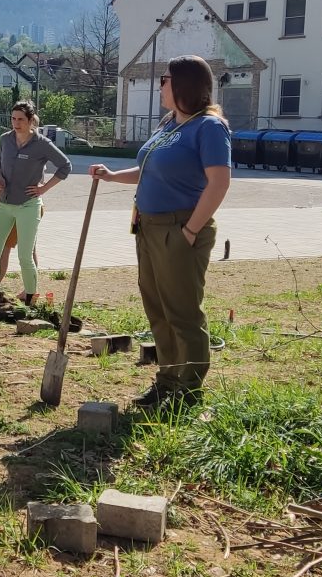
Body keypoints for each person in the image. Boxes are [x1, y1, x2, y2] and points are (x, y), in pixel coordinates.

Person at [89, 55, 231, 411]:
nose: (160, 86)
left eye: (164, 79)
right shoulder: (170, 125)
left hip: (179, 229)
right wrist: (111, 176)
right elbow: (146, 170)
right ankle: (167, 382)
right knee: (158, 310)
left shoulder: (208, 128)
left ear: (184, 84)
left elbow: (219, 182)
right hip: (148, 228)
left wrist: (190, 231)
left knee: (182, 313)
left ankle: (189, 391)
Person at [0, 101, 70, 308]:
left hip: (28, 204)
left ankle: (30, 300)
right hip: (5, 203)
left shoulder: (42, 143)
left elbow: (65, 166)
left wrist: (43, 189)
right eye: (13, 118)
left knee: (25, 255)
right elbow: (0, 165)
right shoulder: (5, 140)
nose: (16, 123)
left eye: (20, 119)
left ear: (31, 121)